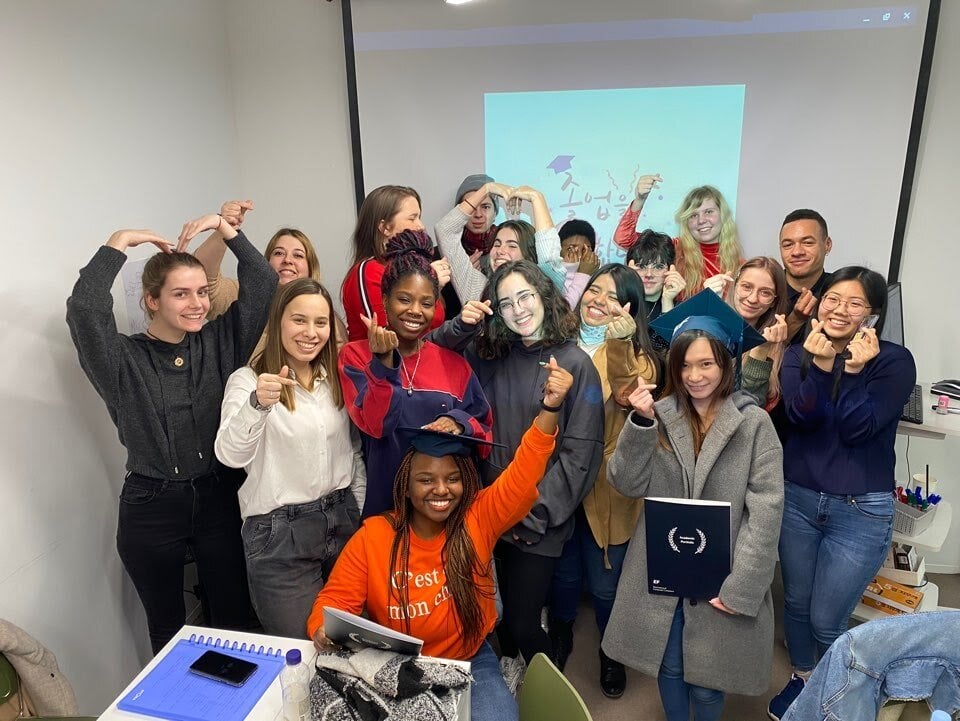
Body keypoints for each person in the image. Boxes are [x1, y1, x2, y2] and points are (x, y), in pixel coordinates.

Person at [307, 360, 573, 721]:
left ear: (465, 480)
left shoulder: (478, 516)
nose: (441, 490)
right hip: (398, 666)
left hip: (470, 661)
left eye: (452, 478)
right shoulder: (375, 535)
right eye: (426, 480)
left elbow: (524, 472)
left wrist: (550, 408)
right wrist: (322, 630)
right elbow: (335, 602)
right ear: (407, 485)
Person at [66, 211, 278, 653]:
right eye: (181, 294)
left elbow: (262, 283)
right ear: (151, 301)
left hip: (218, 496)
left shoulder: (221, 341)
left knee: (233, 617)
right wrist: (117, 241)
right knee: (168, 632)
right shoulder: (122, 359)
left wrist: (226, 229)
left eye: (201, 292)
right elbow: (86, 310)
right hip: (151, 505)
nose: (197, 303)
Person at [602, 294, 784, 721]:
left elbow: (767, 511)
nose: (695, 375)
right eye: (685, 365)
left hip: (722, 571)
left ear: (727, 364)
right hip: (666, 565)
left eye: (707, 364)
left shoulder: (754, 424)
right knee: (668, 665)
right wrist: (641, 424)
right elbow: (625, 484)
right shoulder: (660, 414)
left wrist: (743, 586)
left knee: (706, 681)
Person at [768, 266, 916, 721]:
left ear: (872, 314)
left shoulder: (893, 361)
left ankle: (841, 692)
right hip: (797, 501)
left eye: (856, 304)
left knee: (825, 618)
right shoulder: (799, 354)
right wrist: (821, 366)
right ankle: (804, 678)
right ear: (819, 302)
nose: (840, 310)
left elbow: (857, 429)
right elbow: (802, 417)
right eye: (833, 299)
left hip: (860, 511)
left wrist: (852, 370)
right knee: (794, 601)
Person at [466, 260, 604, 668]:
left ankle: (555, 699)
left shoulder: (577, 364)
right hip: (491, 510)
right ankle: (512, 689)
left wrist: (535, 512)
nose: (518, 309)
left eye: (524, 296)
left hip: (537, 519)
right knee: (501, 622)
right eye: (506, 303)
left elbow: (582, 453)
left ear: (543, 295)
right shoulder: (493, 356)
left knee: (525, 623)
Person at [214, 278, 365, 638]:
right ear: (278, 320)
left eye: (321, 322)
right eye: (299, 320)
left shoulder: (335, 379)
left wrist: (355, 508)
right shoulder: (248, 380)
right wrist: (257, 405)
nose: (311, 332)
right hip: (280, 535)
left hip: (342, 521)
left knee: (350, 644)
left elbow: (353, 451)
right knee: (303, 650)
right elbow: (230, 456)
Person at [547, 263, 660, 698]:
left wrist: (619, 340)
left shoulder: (640, 357)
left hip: (607, 487)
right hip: (558, 480)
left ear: (631, 306)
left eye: (612, 296)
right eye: (594, 290)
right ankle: (559, 636)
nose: (599, 300)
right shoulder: (558, 343)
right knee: (563, 574)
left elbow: (629, 393)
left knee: (605, 582)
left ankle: (611, 653)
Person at [339, 229, 493, 518]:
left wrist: (456, 421)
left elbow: (484, 431)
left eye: (426, 303)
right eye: (404, 299)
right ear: (385, 301)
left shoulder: (454, 363)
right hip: (387, 512)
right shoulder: (356, 356)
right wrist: (383, 365)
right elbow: (376, 426)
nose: (415, 311)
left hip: (447, 511)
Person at [191, 201, 347, 352]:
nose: (287, 260)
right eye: (278, 253)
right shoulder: (241, 294)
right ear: (265, 263)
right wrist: (225, 227)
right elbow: (202, 280)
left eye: (298, 255)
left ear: (311, 269)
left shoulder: (326, 318)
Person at [436, 182, 592, 310]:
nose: (500, 251)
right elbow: (445, 231)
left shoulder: (542, 288)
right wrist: (486, 189)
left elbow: (549, 259)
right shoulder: (476, 287)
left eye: (512, 246)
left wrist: (537, 198)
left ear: (529, 256)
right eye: (497, 244)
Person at [342, 185, 449, 342]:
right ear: (385, 227)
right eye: (412, 218)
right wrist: (433, 283)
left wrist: (432, 285)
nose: (421, 226)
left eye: (419, 217)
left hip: (422, 362)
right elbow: (390, 338)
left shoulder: (415, 271)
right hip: (381, 365)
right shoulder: (368, 270)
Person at [613, 174, 744, 298]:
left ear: (723, 214)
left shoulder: (740, 266)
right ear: (686, 220)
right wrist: (640, 200)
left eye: (708, 212)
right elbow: (623, 238)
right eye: (693, 215)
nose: (701, 220)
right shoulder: (675, 248)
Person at [729, 257, 789, 408]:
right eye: (746, 286)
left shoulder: (776, 347)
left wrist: (761, 350)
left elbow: (749, 408)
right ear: (735, 285)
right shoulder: (705, 321)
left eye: (765, 293)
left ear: (774, 301)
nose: (753, 298)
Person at [779, 208, 833, 343]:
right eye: (788, 245)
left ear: (827, 245)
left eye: (808, 243)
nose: (797, 252)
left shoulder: (841, 291)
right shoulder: (765, 290)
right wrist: (795, 320)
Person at [625, 229, 686, 323]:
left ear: (671, 270)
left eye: (658, 267)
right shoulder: (615, 302)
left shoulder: (682, 311)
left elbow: (670, 337)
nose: (649, 274)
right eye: (641, 266)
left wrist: (667, 302)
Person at [454, 173, 500, 256]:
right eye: (471, 208)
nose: (478, 215)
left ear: (495, 212)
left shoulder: (510, 250)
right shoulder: (445, 250)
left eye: (485, 207)